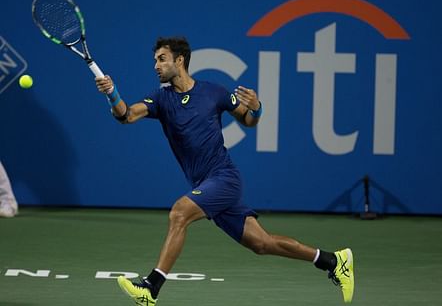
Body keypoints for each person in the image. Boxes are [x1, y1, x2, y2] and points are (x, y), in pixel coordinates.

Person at [95, 36, 354, 305]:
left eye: (161, 59)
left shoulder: (213, 92)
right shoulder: (161, 99)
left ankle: (151, 287)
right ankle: (333, 260)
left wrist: (257, 107)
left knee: (179, 213)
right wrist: (112, 94)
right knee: (262, 243)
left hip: (224, 179)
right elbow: (126, 115)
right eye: (155, 61)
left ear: (179, 60)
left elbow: (248, 120)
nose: (156, 66)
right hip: (205, 183)